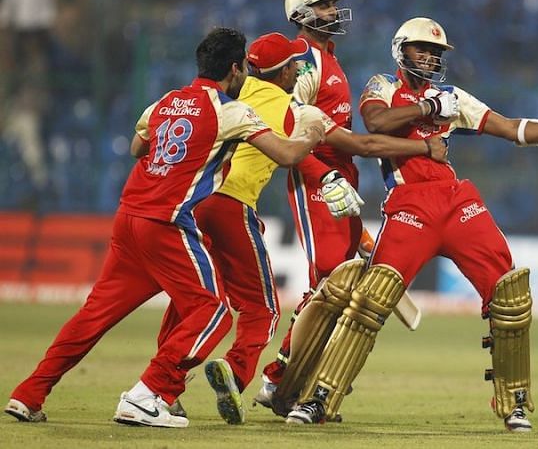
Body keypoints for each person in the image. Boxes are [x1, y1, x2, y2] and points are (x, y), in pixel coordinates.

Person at [284, 17, 538, 432]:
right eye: (422, 49)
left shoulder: (452, 96)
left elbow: (507, 128)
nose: (431, 56)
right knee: (370, 299)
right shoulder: (382, 85)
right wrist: (427, 109)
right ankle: (319, 398)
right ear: (401, 50)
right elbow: (376, 126)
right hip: (409, 205)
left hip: (456, 202)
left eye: (436, 52)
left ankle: (515, 403)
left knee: (509, 293)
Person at [3, 27, 325, 428]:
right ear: (235, 68)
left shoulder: (167, 101)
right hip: (167, 224)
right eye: (243, 66)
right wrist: (312, 128)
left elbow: (139, 147)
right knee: (214, 312)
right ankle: (148, 394)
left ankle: (29, 393)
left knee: (93, 316)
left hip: (128, 219)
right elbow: (289, 154)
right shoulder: (232, 111)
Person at [158, 32, 446, 425]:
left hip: (190, 204)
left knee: (193, 300)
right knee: (267, 308)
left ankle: (159, 390)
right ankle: (254, 375)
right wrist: (333, 174)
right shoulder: (291, 107)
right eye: (295, 63)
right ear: (283, 71)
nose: (300, 67)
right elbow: (356, 145)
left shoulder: (228, 98)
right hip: (231, 206)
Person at [255, 0, 367, 405]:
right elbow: (289, 123)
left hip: (342, 176)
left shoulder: (327, 57)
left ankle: (288, 374)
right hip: (317, 174)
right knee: (329, 282)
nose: (333, 12)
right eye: (324, 6)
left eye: (334, 4)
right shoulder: (302, 56)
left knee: (335, 282)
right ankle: (279, 376)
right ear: (301, 13)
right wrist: (324, 175)